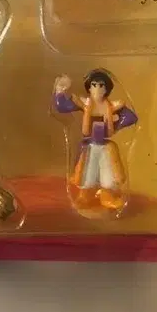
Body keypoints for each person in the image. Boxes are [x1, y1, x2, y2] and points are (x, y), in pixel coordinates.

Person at [52, 70, 137, 210]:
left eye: (101, 85)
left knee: (108, 171)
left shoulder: (112, 106)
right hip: (90, 145)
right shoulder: (85, 104)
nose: (97, 89)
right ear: (89, 88)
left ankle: (107, 195)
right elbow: (62, 107)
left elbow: (131, 117)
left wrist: (115, 125)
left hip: (105, 146)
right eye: (94, 85)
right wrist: (60, 90)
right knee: (87, 171)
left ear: (107, 89)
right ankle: (85, 195)